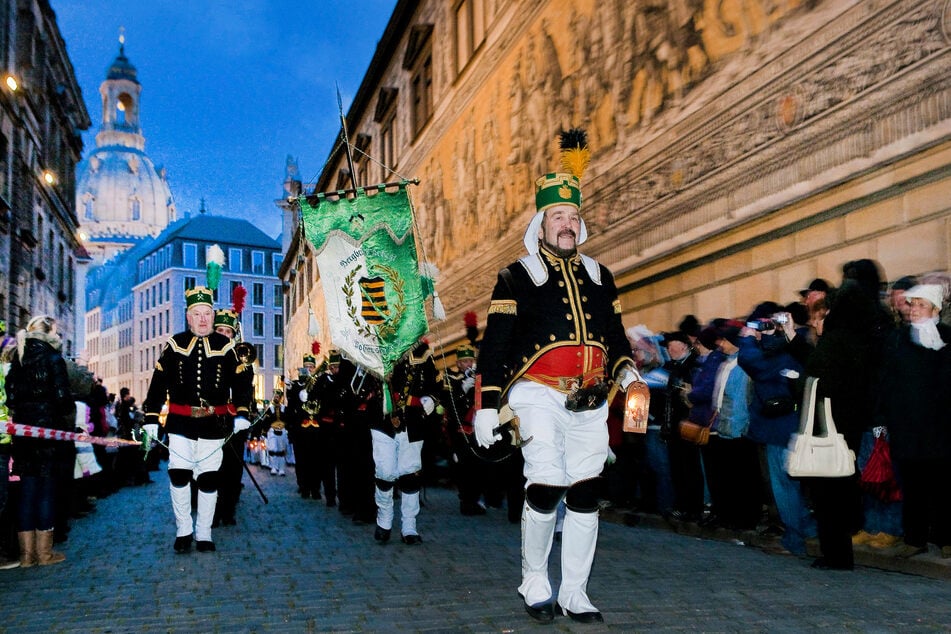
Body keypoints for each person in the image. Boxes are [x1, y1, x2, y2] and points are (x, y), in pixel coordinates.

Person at [473, 129, 641, 624]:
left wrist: (627, 371)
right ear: (541, 224)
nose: (566, 225)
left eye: (572, 217)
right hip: (536, 394)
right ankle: (534, 580)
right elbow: (495, 346)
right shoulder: (515, 277)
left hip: (591, 397)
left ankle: (574, 592)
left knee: (586, 492)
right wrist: (486, 406)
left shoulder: (601, 275)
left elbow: (615, 336)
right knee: (546, 483)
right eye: (557, 217)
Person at [142, 287, 253, 553]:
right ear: (188, 317)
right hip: (180, 423)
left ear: (213, 316)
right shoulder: (174, 344)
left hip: (214, 424)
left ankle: (204, 533)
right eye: (197, 314)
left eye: (207, 313)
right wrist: (151, 416)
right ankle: (183, 530)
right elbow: (158, 383)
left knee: (209, 479)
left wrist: (242, 412)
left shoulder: (226, 347)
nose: (203, 319)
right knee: (179, 475)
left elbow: (241, 383)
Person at [805, 259, 893, 570]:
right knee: (842, 489)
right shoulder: (868, 334)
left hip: (832, 425)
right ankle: (839, 552)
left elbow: (816, 379)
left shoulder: (836, 340)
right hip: (852, 422)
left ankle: (836, 554)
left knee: (830, 494)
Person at [877, 283, 951, 558]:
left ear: (935, 309)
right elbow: (886, 380)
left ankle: (946, 537)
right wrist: (884, 417)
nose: (915, 310)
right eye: (912, 304)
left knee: (943, 485)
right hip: (907, 426)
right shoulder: (898, 338)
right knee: (912, 485)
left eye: (921, 305)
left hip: (941, 427)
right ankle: (914, 538)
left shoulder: (947, 337)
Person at [5, 315, 75, 566]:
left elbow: (10, 397)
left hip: (24, 434)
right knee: (46, 490)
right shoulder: (53, 358)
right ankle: (44, 553)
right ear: (49, 333)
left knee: (27, 491)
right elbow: (63, 398)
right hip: (48, 433)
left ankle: (26, 556)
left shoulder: (19, 356)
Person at [372, 339, 439, 545]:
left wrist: (431, 398)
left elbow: (435, 383)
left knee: (410, 473)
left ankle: (409, 526)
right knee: (385, 472)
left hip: (412, 420)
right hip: (382, 419)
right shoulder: (376, 346)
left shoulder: (422, 351)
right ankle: (384, 520)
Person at [211, 308, 254, 527]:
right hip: (211, 421)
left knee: (232, 468)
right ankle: (212, 512)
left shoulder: (241, 361)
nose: (224, 335)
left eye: (228, 331)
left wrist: (242, 414)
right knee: (211, 469)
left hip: (234, 421)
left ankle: (228, 510)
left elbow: (245, 390)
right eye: (220, 330)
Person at [442, 343, 486, 515]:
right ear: (458, 363)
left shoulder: (478, 377)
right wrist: (462, 389)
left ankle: (474, 499)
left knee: (477, 465)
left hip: (475, 428)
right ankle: (466, 501)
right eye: (464, 361)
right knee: (463, 466)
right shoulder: (451, 378)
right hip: (459, 429)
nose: (468, 364)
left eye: (470, 360)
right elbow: (449, 403)